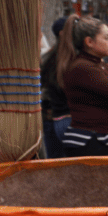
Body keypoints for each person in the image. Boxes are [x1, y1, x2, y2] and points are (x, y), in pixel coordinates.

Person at [57, 15, 108, 156]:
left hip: (99, 139)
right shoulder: (84, 67)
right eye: (106, 38)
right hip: (91, 141)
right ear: (89, 42)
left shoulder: (98, 64)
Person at [40, 16, 72, 158]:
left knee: (55, 162)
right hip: (64, 117)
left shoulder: (48, 57)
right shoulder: (66, 59)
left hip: (50, 119)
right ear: (62, 33)